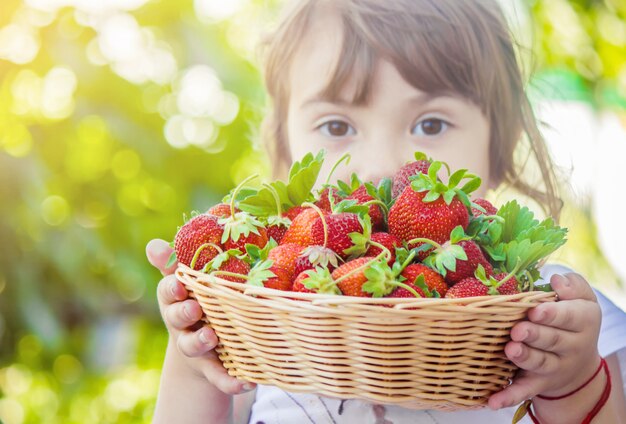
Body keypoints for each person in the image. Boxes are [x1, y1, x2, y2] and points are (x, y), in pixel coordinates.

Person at [146, 0, 626, 422]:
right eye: (336, 125)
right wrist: (197, 357)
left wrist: (572, 381)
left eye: (432, 123)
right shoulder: (264, 306)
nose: (383, 166)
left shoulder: (552, 313)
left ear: (501, 150)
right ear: (287, 152)